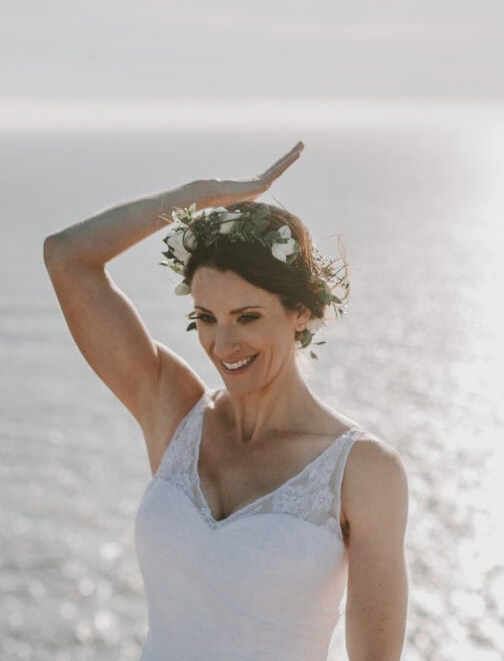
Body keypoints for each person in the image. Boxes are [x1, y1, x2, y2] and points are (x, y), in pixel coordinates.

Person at [43, 141, 409, 661]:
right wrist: (199, 198)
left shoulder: (363, 471)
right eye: (206, 319)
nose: (223, 345)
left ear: (301, 311)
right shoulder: (174, 413)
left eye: (248, 317)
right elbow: (66, 258)